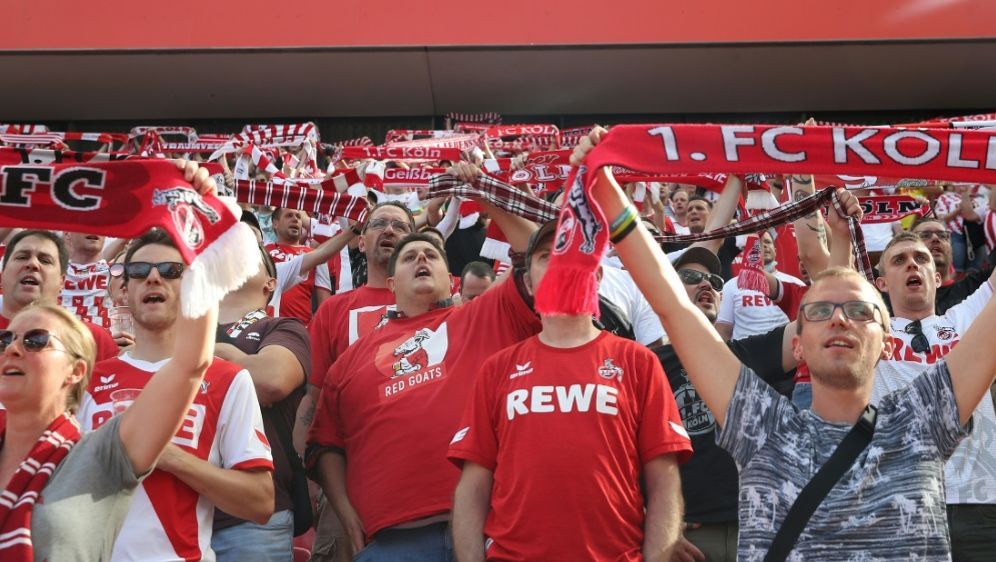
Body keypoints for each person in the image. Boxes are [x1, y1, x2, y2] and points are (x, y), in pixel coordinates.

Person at [574, 126, 996, 560]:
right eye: (818, 311)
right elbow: (673, 306)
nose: (837, 319)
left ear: (886, 342)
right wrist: (605, 189)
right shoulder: (760, 422)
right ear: (798, 346)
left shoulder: (924, 416)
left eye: (858, 311)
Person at [306, 163, 541, 560]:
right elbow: (325, 443)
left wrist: (484, 194)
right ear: (392, 283)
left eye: (430, 254)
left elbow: (536, 254)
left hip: (491, 527)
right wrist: (345, 513)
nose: (420, 258)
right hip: (393, 541)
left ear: (449, 278)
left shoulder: (479, 316)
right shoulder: (350, 361)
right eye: (409, 256)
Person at [0, 160, 222, 562]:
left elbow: (190, 363)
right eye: (6, 339)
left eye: (35, 340)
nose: (13, 349)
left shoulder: (102, 453)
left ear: (76, 370)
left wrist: (196, 230)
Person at [448, 221, 692, 561]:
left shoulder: (639, 362)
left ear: (599, 276)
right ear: (529, 283)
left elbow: (664, 482)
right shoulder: (496, 369)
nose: (562, 262)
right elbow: (473, 487)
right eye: (548, 255)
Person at [79, 229, 275, 562]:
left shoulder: (227, 379)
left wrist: (171, 457)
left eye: (171, 271)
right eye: (139, 271)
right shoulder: (86, 380)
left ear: (190, 288)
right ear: (123, 289)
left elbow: (260, 502)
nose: (153, 278)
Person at [295, 201, 416, 562]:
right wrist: (312, 480)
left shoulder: (439, 304)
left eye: (400, 226)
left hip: (420, 483)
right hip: (345, 483)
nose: (390, 230)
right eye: (379, 223)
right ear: (361, 242)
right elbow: (312, 400)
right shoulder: (334, 308)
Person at [872, 231, 996, 560]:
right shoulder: (869, 332)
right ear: (882, 283)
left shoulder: (967, 319)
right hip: (901, 505)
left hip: (980, 504)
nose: (912, 263)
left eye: (921, 258)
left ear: (937, 277)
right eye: (899, 260)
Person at [211, 245, 311, 562]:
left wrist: (197, 354)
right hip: (176, 509)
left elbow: (271, 380)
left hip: (252, 519)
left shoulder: (281, 327)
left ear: (270, 283)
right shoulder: (179, 328)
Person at [0, 230, 118, 362]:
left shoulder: (94, 339)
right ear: (2, 274)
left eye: (45, 260)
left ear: (62, 281)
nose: (33, 264)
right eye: (21, 257)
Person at [716, 230, 805, 341]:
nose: (764, 245)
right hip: (744, 354)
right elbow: (723, 331)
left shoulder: (795, 283)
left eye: (768, 242)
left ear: (775, 251)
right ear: (749, 249)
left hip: (784, 353)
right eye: (759, 242)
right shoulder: (731, 285)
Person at [266, 208, 333, 323]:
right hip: (266, 326)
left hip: (300, 328)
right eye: (289, 216)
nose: (295, 219)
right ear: (275, 224)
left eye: (298, 216)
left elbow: (324, 300)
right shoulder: (263, 252)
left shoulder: (316, 255)